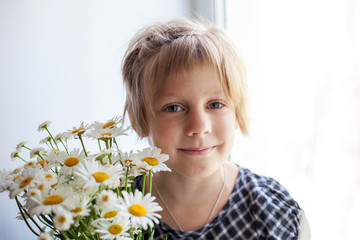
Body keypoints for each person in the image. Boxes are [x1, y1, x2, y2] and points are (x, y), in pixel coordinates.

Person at [122, 18, 306, 240]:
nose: (199, 127)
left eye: (215, 104)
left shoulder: (273, 213)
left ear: (238, 111)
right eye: (174, 108)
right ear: (137, 118)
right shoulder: (111, 208)